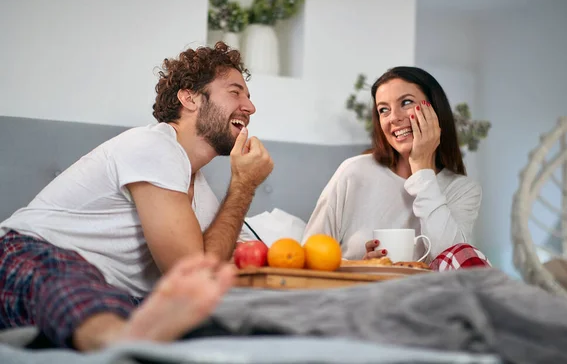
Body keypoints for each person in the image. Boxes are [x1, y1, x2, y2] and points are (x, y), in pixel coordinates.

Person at [0, 42, 274, 350]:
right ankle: (122, 342)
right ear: (190, 97)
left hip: (113, 293)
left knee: (197, 317)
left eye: (248, 97)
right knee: (68, 282)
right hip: (27, 254)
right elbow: (188, 265)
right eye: (235, 92)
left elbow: (202, 273)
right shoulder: (153, 145)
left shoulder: (203, 195)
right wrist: (243, 186)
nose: (250, 107)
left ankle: (128, 335)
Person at [302, 67, 490, 271]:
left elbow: (455, 263)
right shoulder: (354, 171)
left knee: (466, 254)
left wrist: (421, 169)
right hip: (360, 295)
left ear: (435, 110)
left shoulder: (463, 189)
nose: (393, 118)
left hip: (429, 299)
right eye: (384, 110)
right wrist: (362, 267)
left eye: (406, 102)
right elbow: (310, 256)